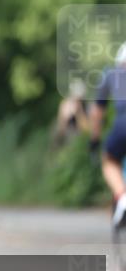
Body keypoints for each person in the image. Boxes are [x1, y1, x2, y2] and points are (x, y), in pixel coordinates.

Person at [90, 42, 126, 231]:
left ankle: (122, 196)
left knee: (109, 160)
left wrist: (94, 141)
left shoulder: (112, 74)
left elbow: (97, 113)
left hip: (122, 126)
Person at [53, 79, 89, 148]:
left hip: (79, 132)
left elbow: (85, 127)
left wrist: (78, 111)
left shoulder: (84, 105)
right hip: (69, 132)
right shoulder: (66, 104)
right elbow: (62, 125)